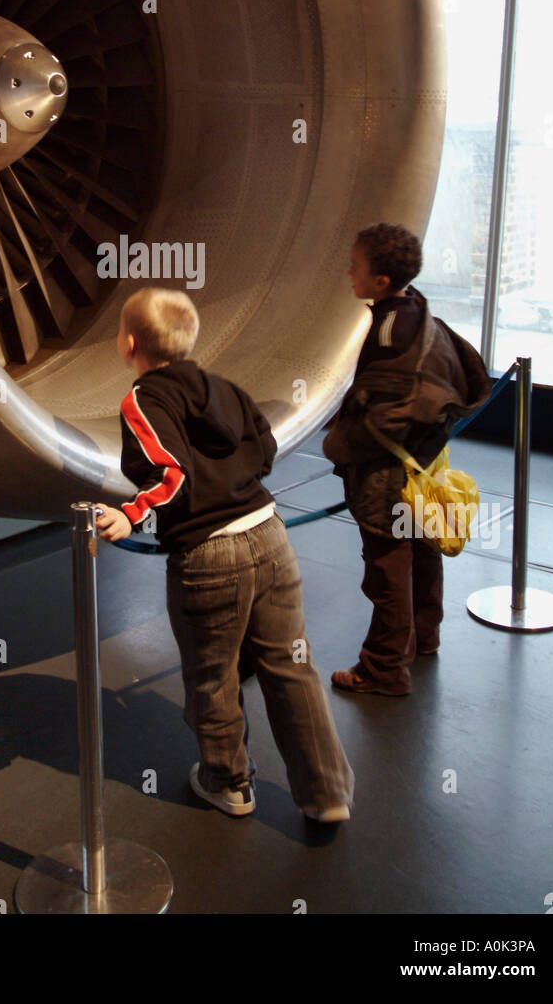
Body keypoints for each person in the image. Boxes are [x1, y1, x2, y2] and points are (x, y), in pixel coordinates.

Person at [94, 287, 354, 823]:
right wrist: (232, 485)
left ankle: (228, 783)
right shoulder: (224, 387)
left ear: (129, 342)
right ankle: (327, 794)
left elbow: (172, 474)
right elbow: (265, 449)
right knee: (292, 664)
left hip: (210, 555)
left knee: (213, 676)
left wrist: (132, 513)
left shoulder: (142, 399)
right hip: (269, 532)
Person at [322, 224, 491, 696]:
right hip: (421, 462)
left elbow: (381, 416)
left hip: (387, 473)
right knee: (421, 546)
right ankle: (424, 634)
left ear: (379, 281)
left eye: (355, 265)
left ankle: (383, 668)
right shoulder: (415, 307)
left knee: (387, 565)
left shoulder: (389, 334)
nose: (348, 271)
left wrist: (338, 444)